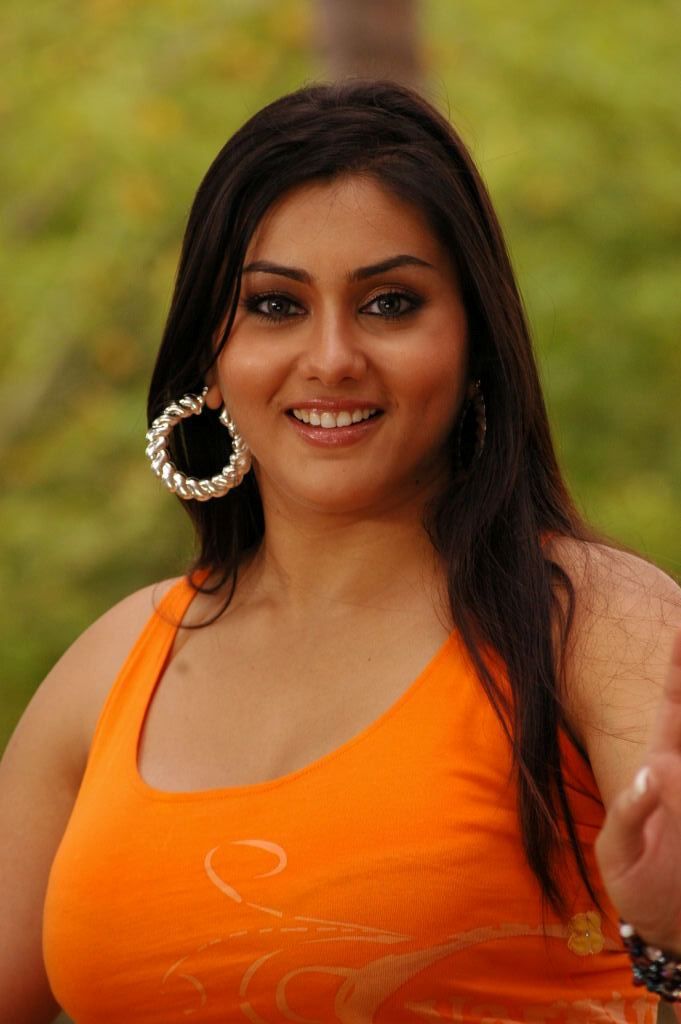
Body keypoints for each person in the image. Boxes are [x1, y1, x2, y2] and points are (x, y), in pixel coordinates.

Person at [1, 80, 680, 1024]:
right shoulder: (112, 667)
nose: (330, 359)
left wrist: (667, 938)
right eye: (274, 305)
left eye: (389, 303)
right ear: (210, 356)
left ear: (474, 342)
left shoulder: (593, 622)